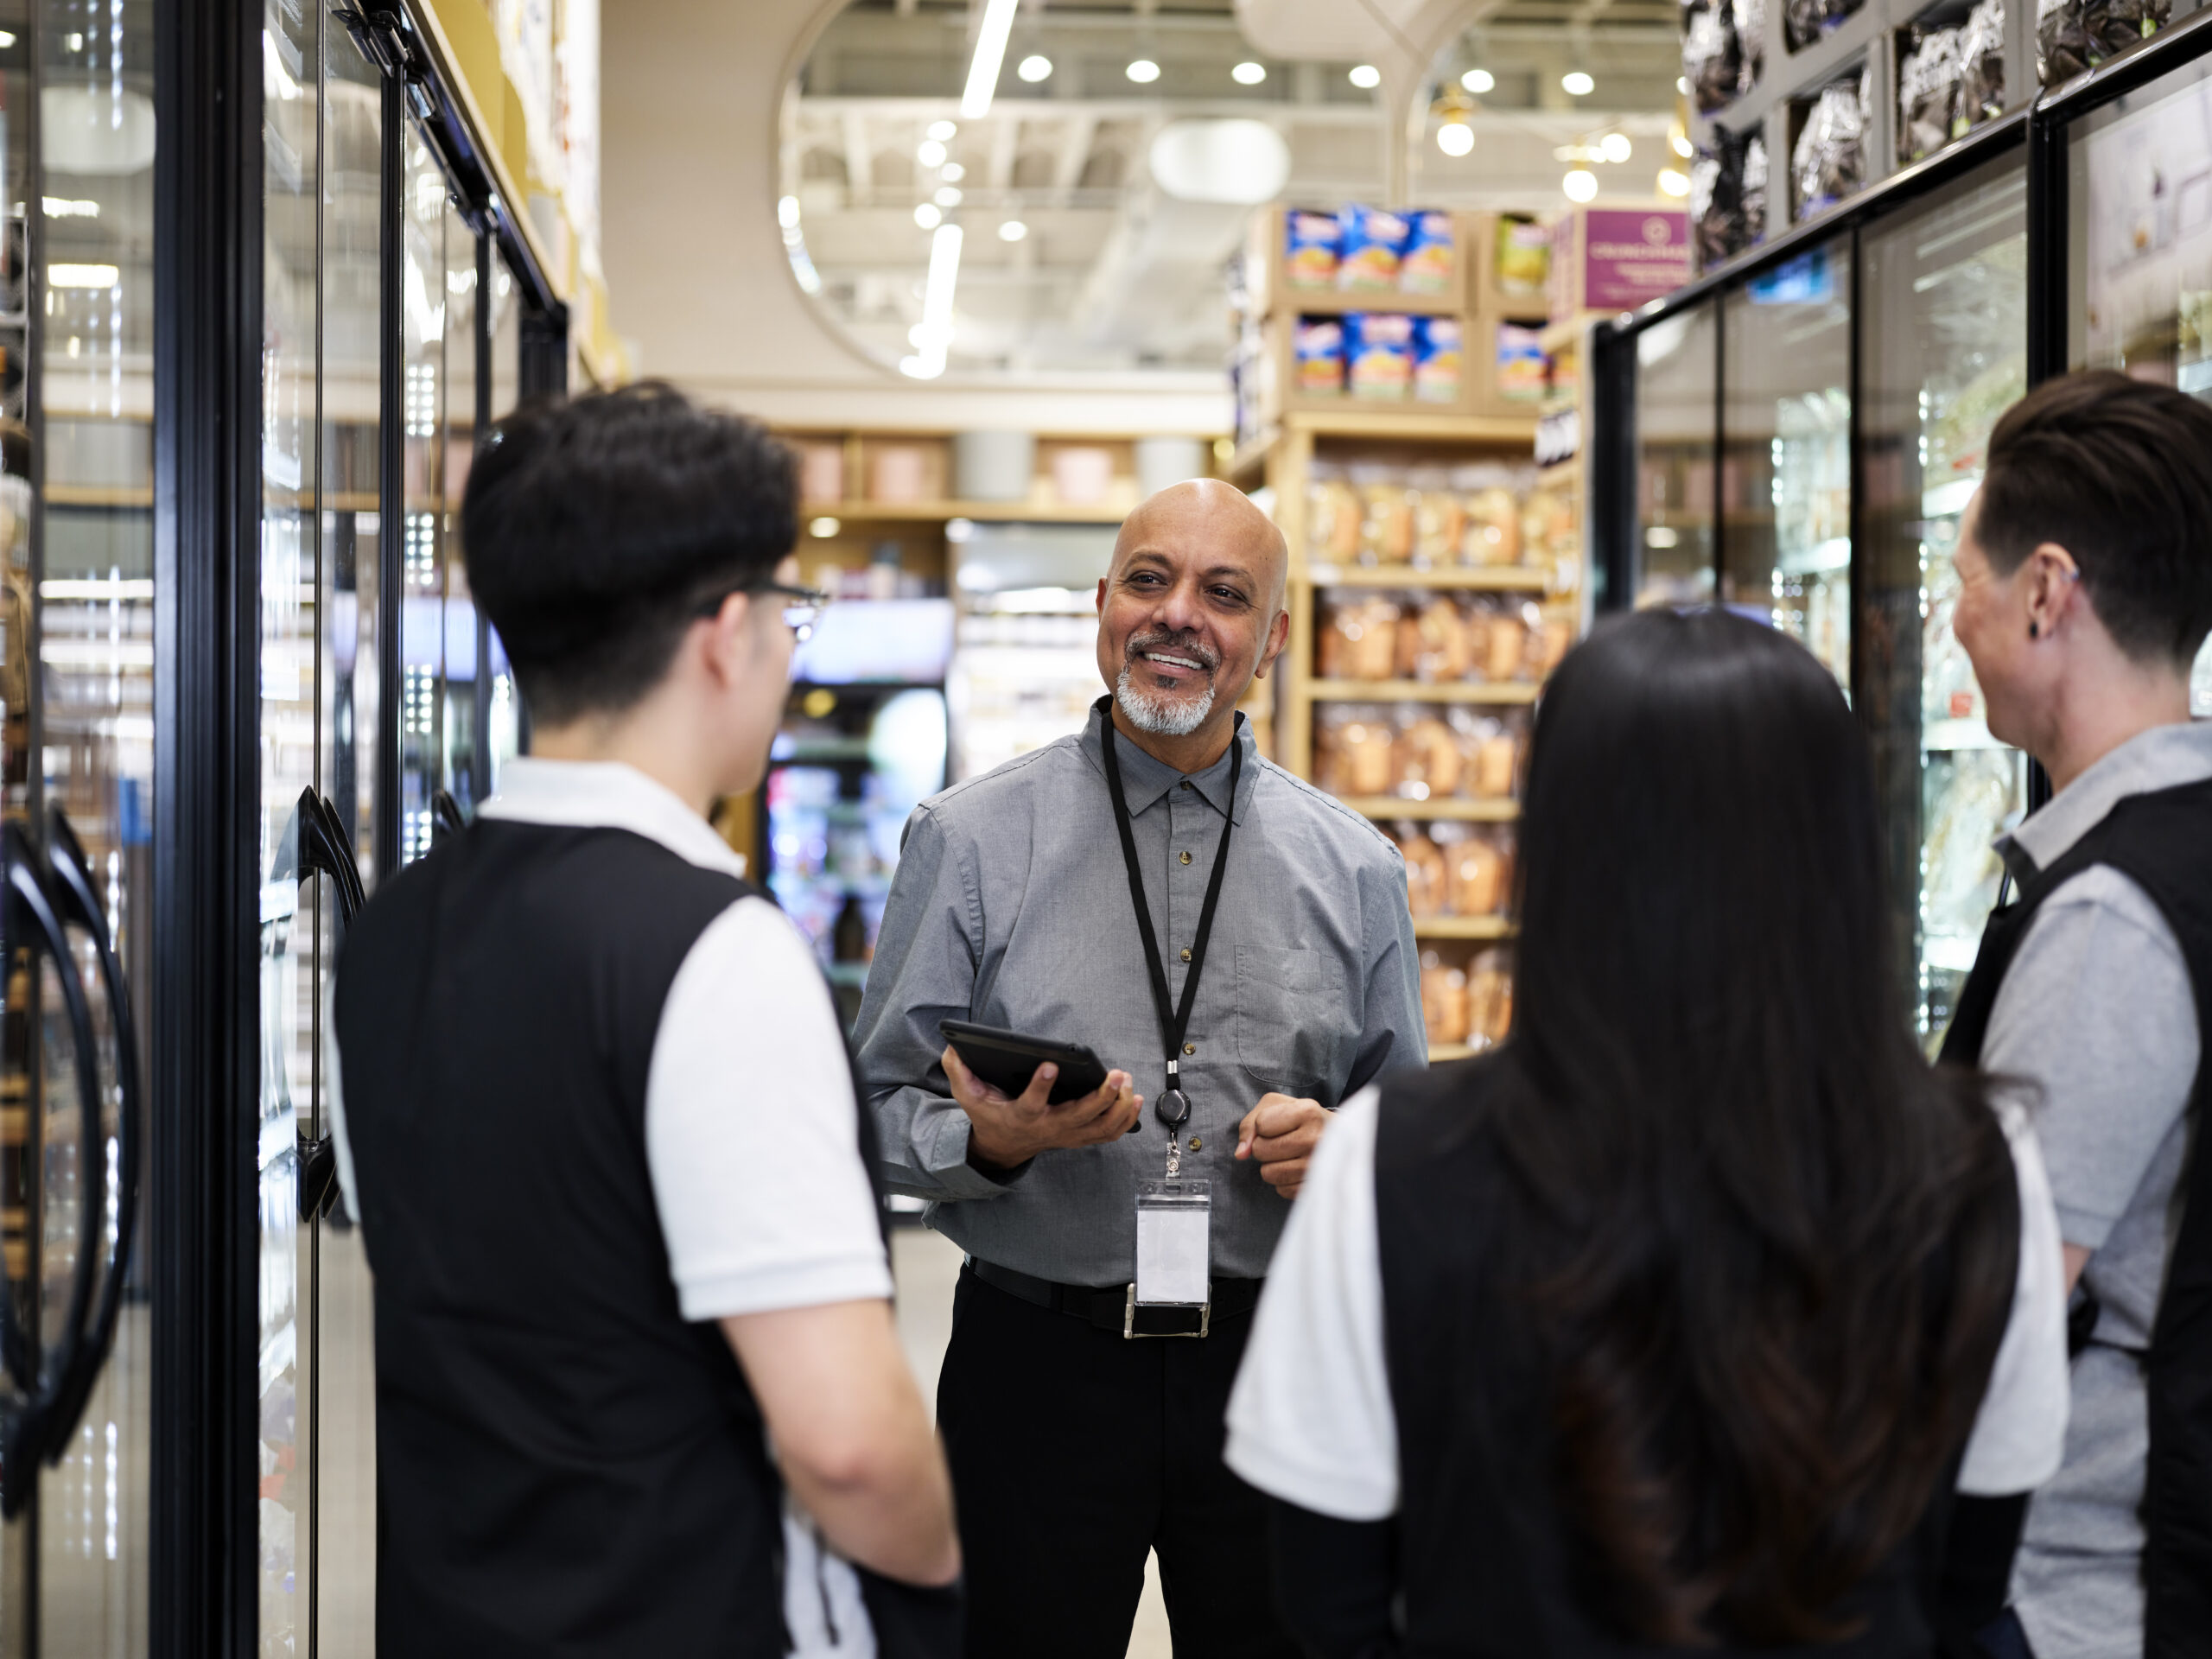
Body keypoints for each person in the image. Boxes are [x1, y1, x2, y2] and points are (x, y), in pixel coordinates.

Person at [1227, 609, 2071, 1656]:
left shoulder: (1387, 1160)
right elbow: (1969, 1575)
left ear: (1559, 845)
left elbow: (1328, 1598)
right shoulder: (1981, 1161)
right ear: (1846, 846)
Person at [327, 385, 960, 1653]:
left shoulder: (391, 927)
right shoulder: (715, 952)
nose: (794, 646)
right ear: (727, 633)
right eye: (792, 609)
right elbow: (847, 1446)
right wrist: (946, 1576)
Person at [854, 478, 1426, 1658]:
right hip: (1036, 1368)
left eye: (1224, 594)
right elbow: (870, 1110)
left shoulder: (1357, 870)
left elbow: (1406, 1137)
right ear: (1102, 609)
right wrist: (990, 1141)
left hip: (1274, 1361)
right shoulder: (966, 841)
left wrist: (1351, 1155)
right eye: (1151, 581)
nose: (1178, 616)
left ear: (1272, 641)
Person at [1937, 369, 2212, 1659]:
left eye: (1960, 582)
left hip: (2081, 1595)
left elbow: (1996, 1310)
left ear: (2046, 592)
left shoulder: (2111, 913)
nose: (1953, 621)